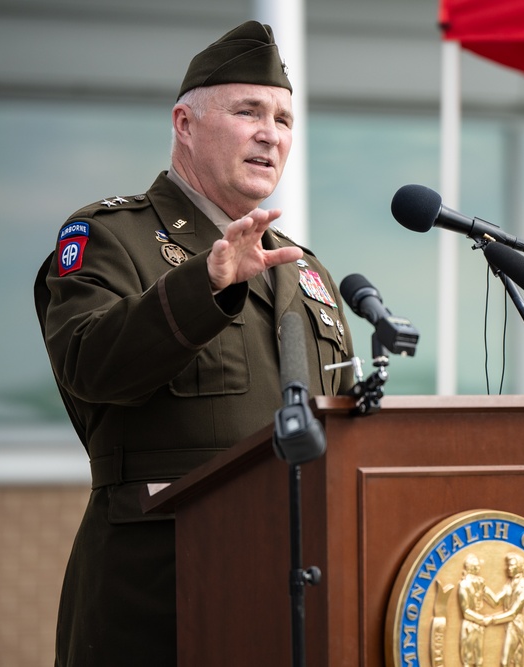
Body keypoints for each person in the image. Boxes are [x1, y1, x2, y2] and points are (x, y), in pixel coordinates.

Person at [33, 21, 355, 667]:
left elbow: (343, 431)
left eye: (284, 119)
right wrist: (203, 283)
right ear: (185, 123)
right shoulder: (109, 237)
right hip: (161, 601)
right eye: (249, 111)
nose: (272, 132)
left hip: (296, 601)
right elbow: (89, 363)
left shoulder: (306, 271)